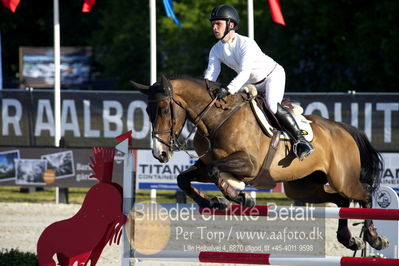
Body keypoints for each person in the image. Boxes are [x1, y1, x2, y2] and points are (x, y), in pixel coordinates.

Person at [204, 4, 314, 161]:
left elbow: (245, 72)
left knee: (270, 104)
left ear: (231, 24)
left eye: (218, 24)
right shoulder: (215, 49)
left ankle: (301, 141)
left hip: (272, 75)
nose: (214, 27)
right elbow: (211, 74)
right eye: (213, 24)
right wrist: (205, 90)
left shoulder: (245, 43)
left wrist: (228, 89)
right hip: (251, 82)